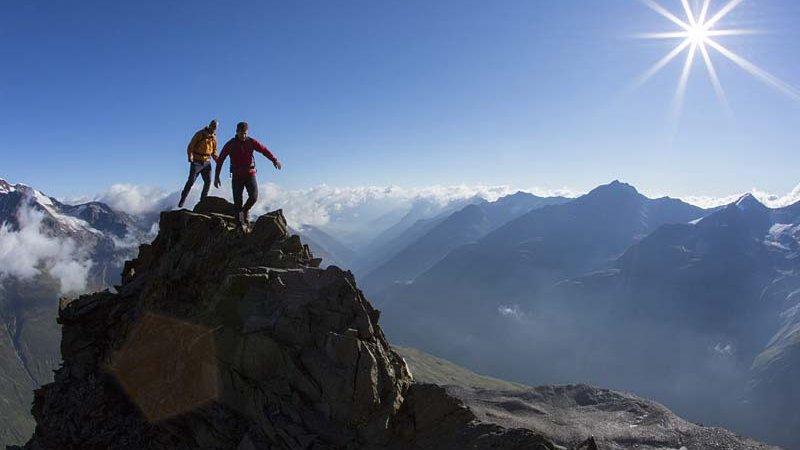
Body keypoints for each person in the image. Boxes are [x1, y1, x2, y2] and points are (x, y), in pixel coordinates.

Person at [214, 122, 282, 225]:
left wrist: (274, 160)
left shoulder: (251, 142)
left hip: (250, 174)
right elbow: (221, 160)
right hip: (237, 176)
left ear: (247, 132)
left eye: (245, 133)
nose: (243, 136)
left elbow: (263, 150)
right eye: (241, 133)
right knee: (237, 202)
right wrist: (217, 176)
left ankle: (245, 210)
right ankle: (240, 225)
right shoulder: (231, 144)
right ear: (237, 132)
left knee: (254, 196)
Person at [179, 120, 219, 208]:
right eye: (213, 126)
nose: (213, 129)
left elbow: (214, 152)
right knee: (191, 181)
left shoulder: (214, 138)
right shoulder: (200, 134)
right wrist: (190, 156)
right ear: (209, 125)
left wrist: (219, 161)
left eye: (215, 127)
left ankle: (203, 201)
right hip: (197, 161)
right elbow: (191, 146)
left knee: (208, 182)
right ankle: (183, 198)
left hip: (207, 162)